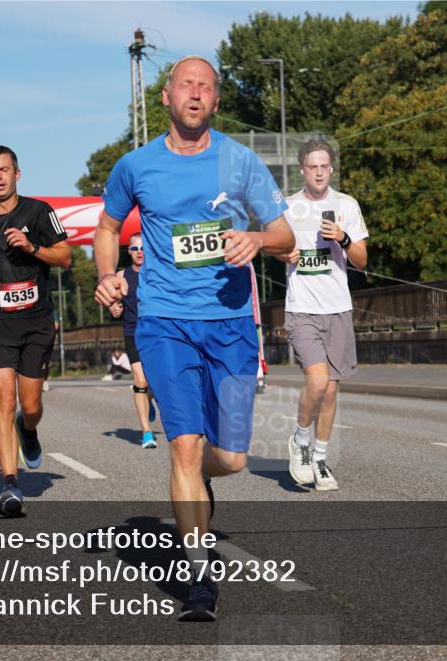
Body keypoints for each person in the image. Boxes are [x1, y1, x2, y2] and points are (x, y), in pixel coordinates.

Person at [94, 55, 294, 621]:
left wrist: (257, 237)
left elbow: (285, 233)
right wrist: (107, 275)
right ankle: (198, 577)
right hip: (163, 322)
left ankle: (198, 474)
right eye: (187, 83)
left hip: (230, 324)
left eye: (207, 86)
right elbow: (107, 227)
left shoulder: (240, 160)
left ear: (216, 102)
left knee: (229, 459)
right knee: (184, 444)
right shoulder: (136, 165)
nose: (197, 93)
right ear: (166, 96)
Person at [0, 145, 70, 516]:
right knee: (4, 398)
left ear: (17, 173)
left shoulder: (38, 211)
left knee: (30, 405)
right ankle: (9, 485)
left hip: (36, 320)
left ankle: (30, 428)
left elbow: (65, 256)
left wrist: (32, 245)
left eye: (5, 169)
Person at [282, 139, 369, 492]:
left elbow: (362, 261)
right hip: (302, 307)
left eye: (324, 166)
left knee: (330, 393)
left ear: (330, 169)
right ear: (302, 169)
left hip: (338, 308)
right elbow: (274, 244)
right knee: (317, 383)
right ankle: (300, 442)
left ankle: (319, 457)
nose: (318, 171)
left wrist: (345, 239)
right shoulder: (288, 207)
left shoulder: (346, 205)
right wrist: (283, 254)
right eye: (311, 166)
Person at [108, 233, 158, 448]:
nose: (140, 253)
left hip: (158, 333)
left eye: (143, 248)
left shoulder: (159, 273)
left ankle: (149, 398)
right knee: (140, 380)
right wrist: (113, 306)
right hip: (133, 332)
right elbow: (111, 300)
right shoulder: (122, 275)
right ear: (128, 252)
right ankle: (147, 432)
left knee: (153, 383)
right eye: (135, 249)